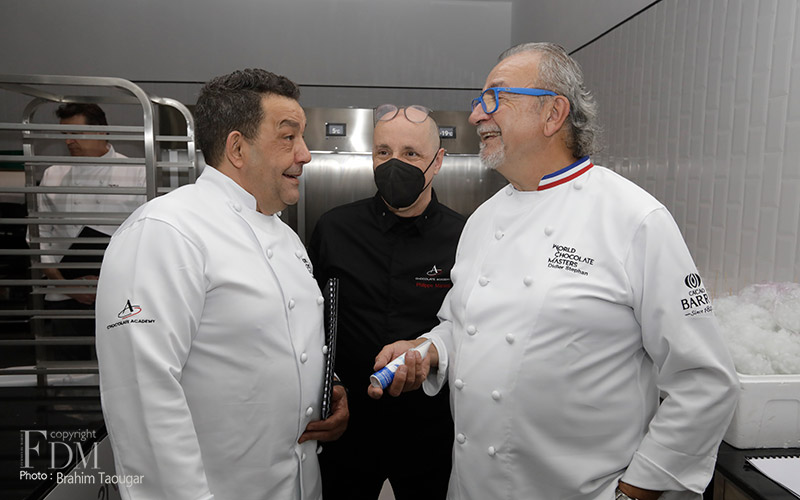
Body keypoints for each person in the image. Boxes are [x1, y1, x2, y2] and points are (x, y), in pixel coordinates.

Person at [368, 43, 739, 500]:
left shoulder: (634, 219)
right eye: (479, 101)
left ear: (553, 114)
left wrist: (636, 491)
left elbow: (704, 379)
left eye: (495, 98)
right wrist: (430, 350)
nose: (477, 116)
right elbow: (464, 326)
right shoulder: (482, 220)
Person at [95, 68, 349, 500]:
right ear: (237, 148)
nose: (305, 154)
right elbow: (142, 396)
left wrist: (326, 387)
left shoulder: (287, 239)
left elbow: (278, 341)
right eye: (288, 137)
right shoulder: (166, 231)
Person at [308, 104, 464, 499]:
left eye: (411, 153)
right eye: (383, 152)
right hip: (348, 424)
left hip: (432, 426)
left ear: (437, 161)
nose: (395, 164)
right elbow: (311, 322)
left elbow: (470, 327)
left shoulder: (465, 237)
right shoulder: (334, 228)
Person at [33, 103, 145, 359]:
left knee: (120, 365)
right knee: (68, 367)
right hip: (64, 293)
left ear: (102, 131)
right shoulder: (53, 175)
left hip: (120, 293)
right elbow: (40, 238)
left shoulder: (136, 172)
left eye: (76, 133)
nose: (69, 141)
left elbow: (146, 237)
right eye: (65, 134)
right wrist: (66, 285)